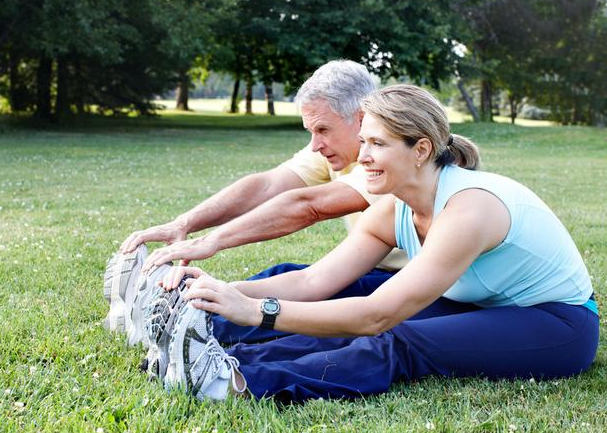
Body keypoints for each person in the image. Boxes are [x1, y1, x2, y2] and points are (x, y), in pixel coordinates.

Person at [164, 84, 599, 403]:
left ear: (421, 149)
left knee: (400, 339)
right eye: (364, 141)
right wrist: (218, 293)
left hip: (557, 324)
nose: (364, 155)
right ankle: (221, 357)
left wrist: (259, 311)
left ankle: (236, 383)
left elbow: (376, 316)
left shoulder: (470, 208)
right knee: (340, 310)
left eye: (378, 144)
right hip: (487, 305)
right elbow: (316, 282)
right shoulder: (396, 209)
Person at [118, 60, 407, 344]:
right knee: (281, 276)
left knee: (313, 309)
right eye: (311, 132)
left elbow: (309, 207)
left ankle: (184, 328)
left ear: (361, 117)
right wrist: (184, 224)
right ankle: (173, 315)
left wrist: (211, 241)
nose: (316, 144)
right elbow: (267, 185)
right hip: (366, 266)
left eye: (322, 130)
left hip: (405, 280)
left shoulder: (391, 155)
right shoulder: (334, 148)